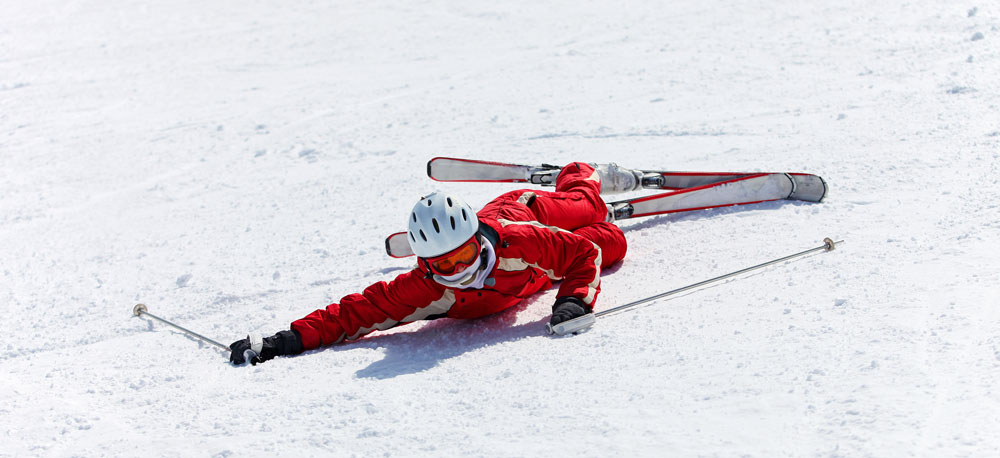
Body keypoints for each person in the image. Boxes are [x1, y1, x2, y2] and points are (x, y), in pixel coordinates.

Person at [229, 161, 643, 365]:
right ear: (424, 263)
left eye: (463, 255)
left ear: (475, 240)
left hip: (522, 212)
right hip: (536, 272)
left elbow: (580, 258)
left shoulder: (516, 240)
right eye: (443, 264)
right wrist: (284, 340)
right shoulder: (425, 287)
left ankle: (582, 172)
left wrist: (573, 301)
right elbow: (354, 313)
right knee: (613, 243)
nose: (458, 270)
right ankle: (604, 219)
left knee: (586, 205)